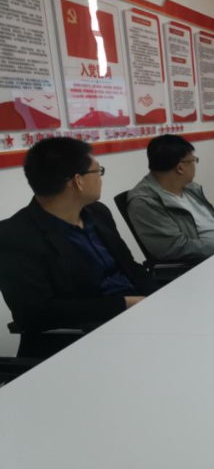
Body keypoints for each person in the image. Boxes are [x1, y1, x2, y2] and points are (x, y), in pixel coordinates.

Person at [0, 138, 156, 357]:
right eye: (98, 171)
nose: (100, 178)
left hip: (138, 316)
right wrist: (123, 304)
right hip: (86, 340)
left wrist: (161, 298)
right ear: (78, 181)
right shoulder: (15, 236)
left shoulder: (97, 213)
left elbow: (130, 267)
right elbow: (35, 314)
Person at [127, 135, 214, 263]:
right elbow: (176, 247)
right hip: (208, 263)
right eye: (193, 160)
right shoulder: (144, 202)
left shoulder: (189, 188)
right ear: (180, 168)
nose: (195, 165)